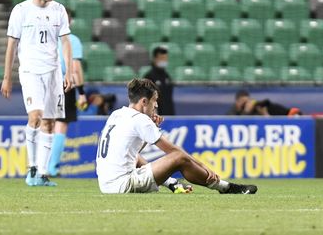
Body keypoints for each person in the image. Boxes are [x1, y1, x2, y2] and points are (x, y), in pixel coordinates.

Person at [96, 78, 257, 194]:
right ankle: (224, 187)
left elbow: (133, 150)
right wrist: (205, 167)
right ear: (144, 102)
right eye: (154, 100)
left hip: (106, 185)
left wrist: (153, 126)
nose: (156, 105)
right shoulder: (140, 120)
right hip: (122, 185)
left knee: (136, 157)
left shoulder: (117, 114)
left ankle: (172, 183)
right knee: (178, 158)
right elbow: (174, 151)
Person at [0, 0, 72, 187]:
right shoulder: (21, 11)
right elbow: (11, 45)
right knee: (36, 116)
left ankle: (41, 174)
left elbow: (65, 41)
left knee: (49, 123)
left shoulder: (59, 10)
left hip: (53, 73)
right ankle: (31, 168)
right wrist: (7, 77)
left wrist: (67, 71)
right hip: (30, 72)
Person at [47, 11, 87, 177]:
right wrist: (82, 92)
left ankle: (39, 166)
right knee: (61, 125)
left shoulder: (46, 38)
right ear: (69, 21)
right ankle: (52, 168)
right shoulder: (72, 40)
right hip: (64, 83)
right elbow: (75, 68)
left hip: (45, 81)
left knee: (46, 125)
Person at [144, 46, 175, 115]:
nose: (164, 61)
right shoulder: (149, 77)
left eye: (165, 58)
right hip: (155, 117)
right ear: (155, 59)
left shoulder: (167, 76)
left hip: (169, 114)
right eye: (161, 58)